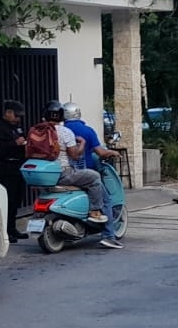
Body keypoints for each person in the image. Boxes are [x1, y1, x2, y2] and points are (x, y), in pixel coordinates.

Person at [62, 103, 124, 248]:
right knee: (106, 200)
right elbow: (101, 153)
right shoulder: (87, 131)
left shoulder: (60, 131)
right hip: (84, 174)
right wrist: (113, 152)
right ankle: (108, 235)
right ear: (78, 114)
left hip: (63, 173)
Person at [40, 100, 108, 224]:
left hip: (43, 175)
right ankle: (94, 211)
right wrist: (82, 143)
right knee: (94, 178)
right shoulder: (65, 132)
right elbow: (75, 156)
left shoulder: (38, 131)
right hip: (63, 174)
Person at [0, 100, 29, 241]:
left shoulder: (16, 127)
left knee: (16, 200)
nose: (18, 119)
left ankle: (12, 228)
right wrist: (14, 143)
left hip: (18, 167)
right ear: (8, 113)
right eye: (16, 115)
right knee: (7, 199)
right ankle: (4, 231)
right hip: (6, 167)